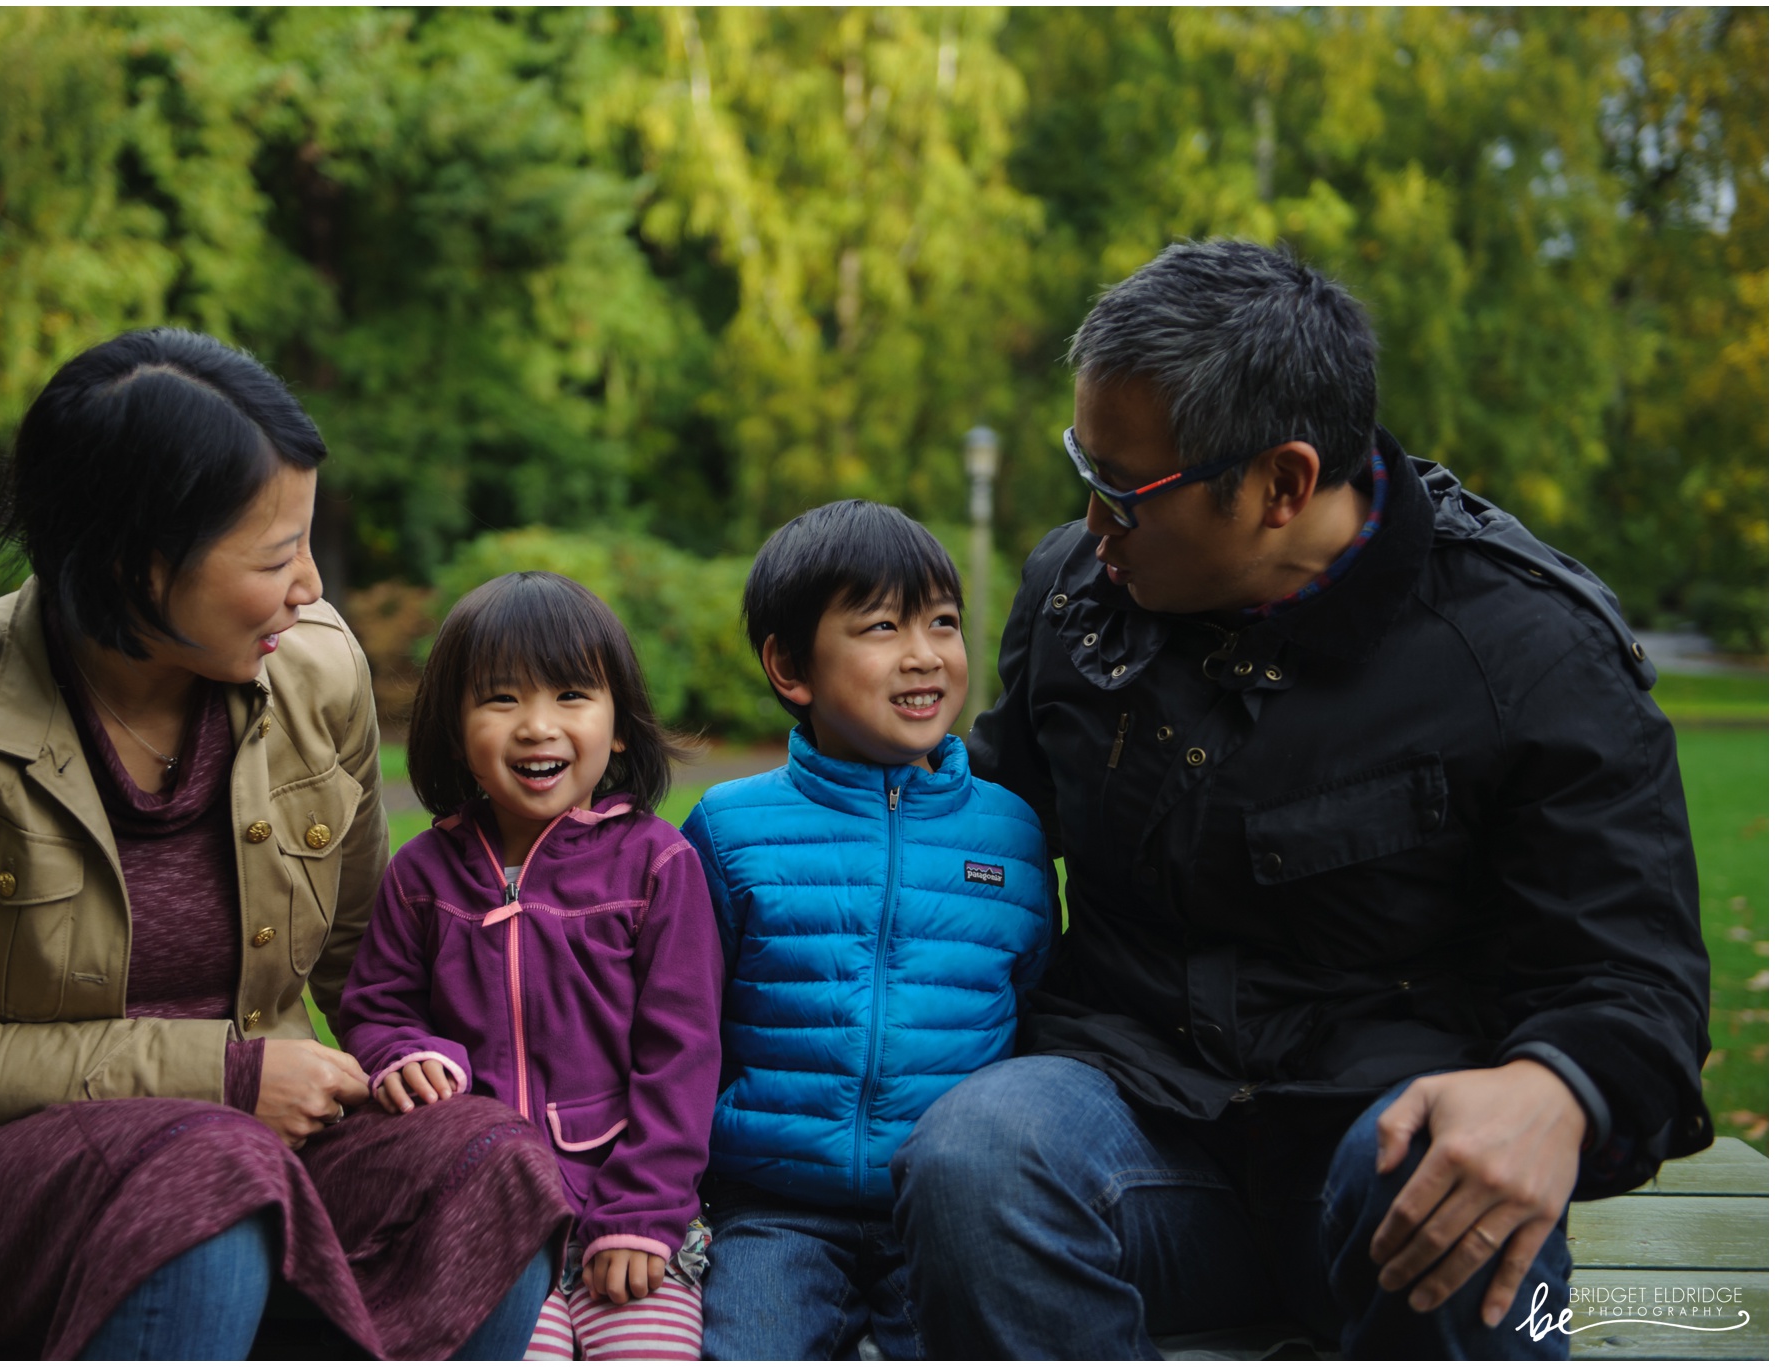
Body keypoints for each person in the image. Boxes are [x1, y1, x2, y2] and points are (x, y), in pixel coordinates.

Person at [890, 240, 1713, 1359]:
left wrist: (1554, 1087)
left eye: (1121, 492)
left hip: (1388, 1166)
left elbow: (1634, 977)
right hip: (1127, 1129)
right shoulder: (1077, 593)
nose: (1090, 527)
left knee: (1431, 1170)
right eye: (1083, 469)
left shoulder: (1529, 652)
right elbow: (979, 825)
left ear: (1282, 484)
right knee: (974, 1154)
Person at [0, 329, 570, 1360]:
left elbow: (366, 965)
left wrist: (423, 1067)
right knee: (206, 1173)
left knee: (489, 1161)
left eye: (306, 543)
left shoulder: (317, 671)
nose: (310, 585)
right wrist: (224, 1073)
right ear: (135, 563)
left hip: (264, 1144)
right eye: (274, 556)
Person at [682, 501, 1056, 1359]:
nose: (924, 653)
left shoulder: (1009, 833)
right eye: (883, 626)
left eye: (943, 622)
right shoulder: (731, 829)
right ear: (790, 666)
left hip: (942, 1210)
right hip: (771, 1208)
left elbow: (1036, 1014)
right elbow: (680, 1026)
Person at [338, 571, 724, 1361]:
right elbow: (376, 1006)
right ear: (455, 730)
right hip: (485, 1219)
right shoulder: (422, 874)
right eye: (501, 699)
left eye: (571, 695)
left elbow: (682, 1055)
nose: (537, 726)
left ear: (620, 725)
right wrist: (403, 1053)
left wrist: (642, 1211)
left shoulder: (657, 864)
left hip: (628, 1213)